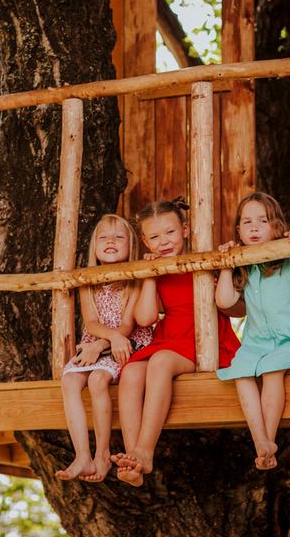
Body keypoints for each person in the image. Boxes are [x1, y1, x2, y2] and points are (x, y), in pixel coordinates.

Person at [111, 198, 241, 487]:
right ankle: (133, 457)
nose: (164, 242)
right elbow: (145, 318)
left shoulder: (204, 261)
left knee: (159, 362)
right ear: (145, 241)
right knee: (131, 371)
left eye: (169, 233)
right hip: (169, 336)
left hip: (204, 340)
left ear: (185, 229)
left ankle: (146, 451)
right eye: (154, 237)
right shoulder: (158, 270)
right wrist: (150, 277)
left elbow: (235, 307)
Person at [215, 192, 290, 470]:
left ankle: (269, 437)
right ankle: (261, 442)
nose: (254, 227)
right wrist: (227, 265)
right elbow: (225, 301)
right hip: (257, 343)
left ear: (277, 226)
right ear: (238, 231)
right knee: (241, 371)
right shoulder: (248, 266)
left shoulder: (289, 260)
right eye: (246, 222)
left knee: (271, 369)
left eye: (262, 221)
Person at [56, 214, 152, 482]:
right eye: (104, 237)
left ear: (130, 245)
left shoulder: (135, 278)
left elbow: (127, 326)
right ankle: (82, 456)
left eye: (119, 237)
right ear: (94, 247)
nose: (111, 241)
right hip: (95, 342)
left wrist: (102, 344)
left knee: (98, 380)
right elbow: (91, 321)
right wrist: (96, 344)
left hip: (126, 343)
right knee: (70, 381)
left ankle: (102, 454)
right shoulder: (89, 280)